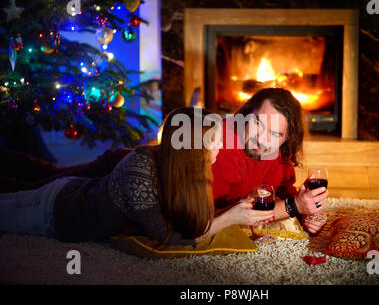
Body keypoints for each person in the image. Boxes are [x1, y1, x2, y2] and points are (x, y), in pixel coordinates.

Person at [0, 107, 274, 244]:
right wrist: (230, 218)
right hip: (54, 212)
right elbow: (165, 237)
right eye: (213, 140)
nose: (220, 146)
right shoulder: (141, 171)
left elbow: (191, 218)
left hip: (73, 190)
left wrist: (234, 209)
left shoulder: (188, 167)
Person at [212, 88, 328, 234]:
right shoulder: (218, 145)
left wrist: (305, 214)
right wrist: (294, 206)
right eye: (258, 124)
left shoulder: (277, 152)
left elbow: (285, 191)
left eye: (275, 134)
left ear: (286, 138)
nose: (261, 139)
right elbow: (200, 219)